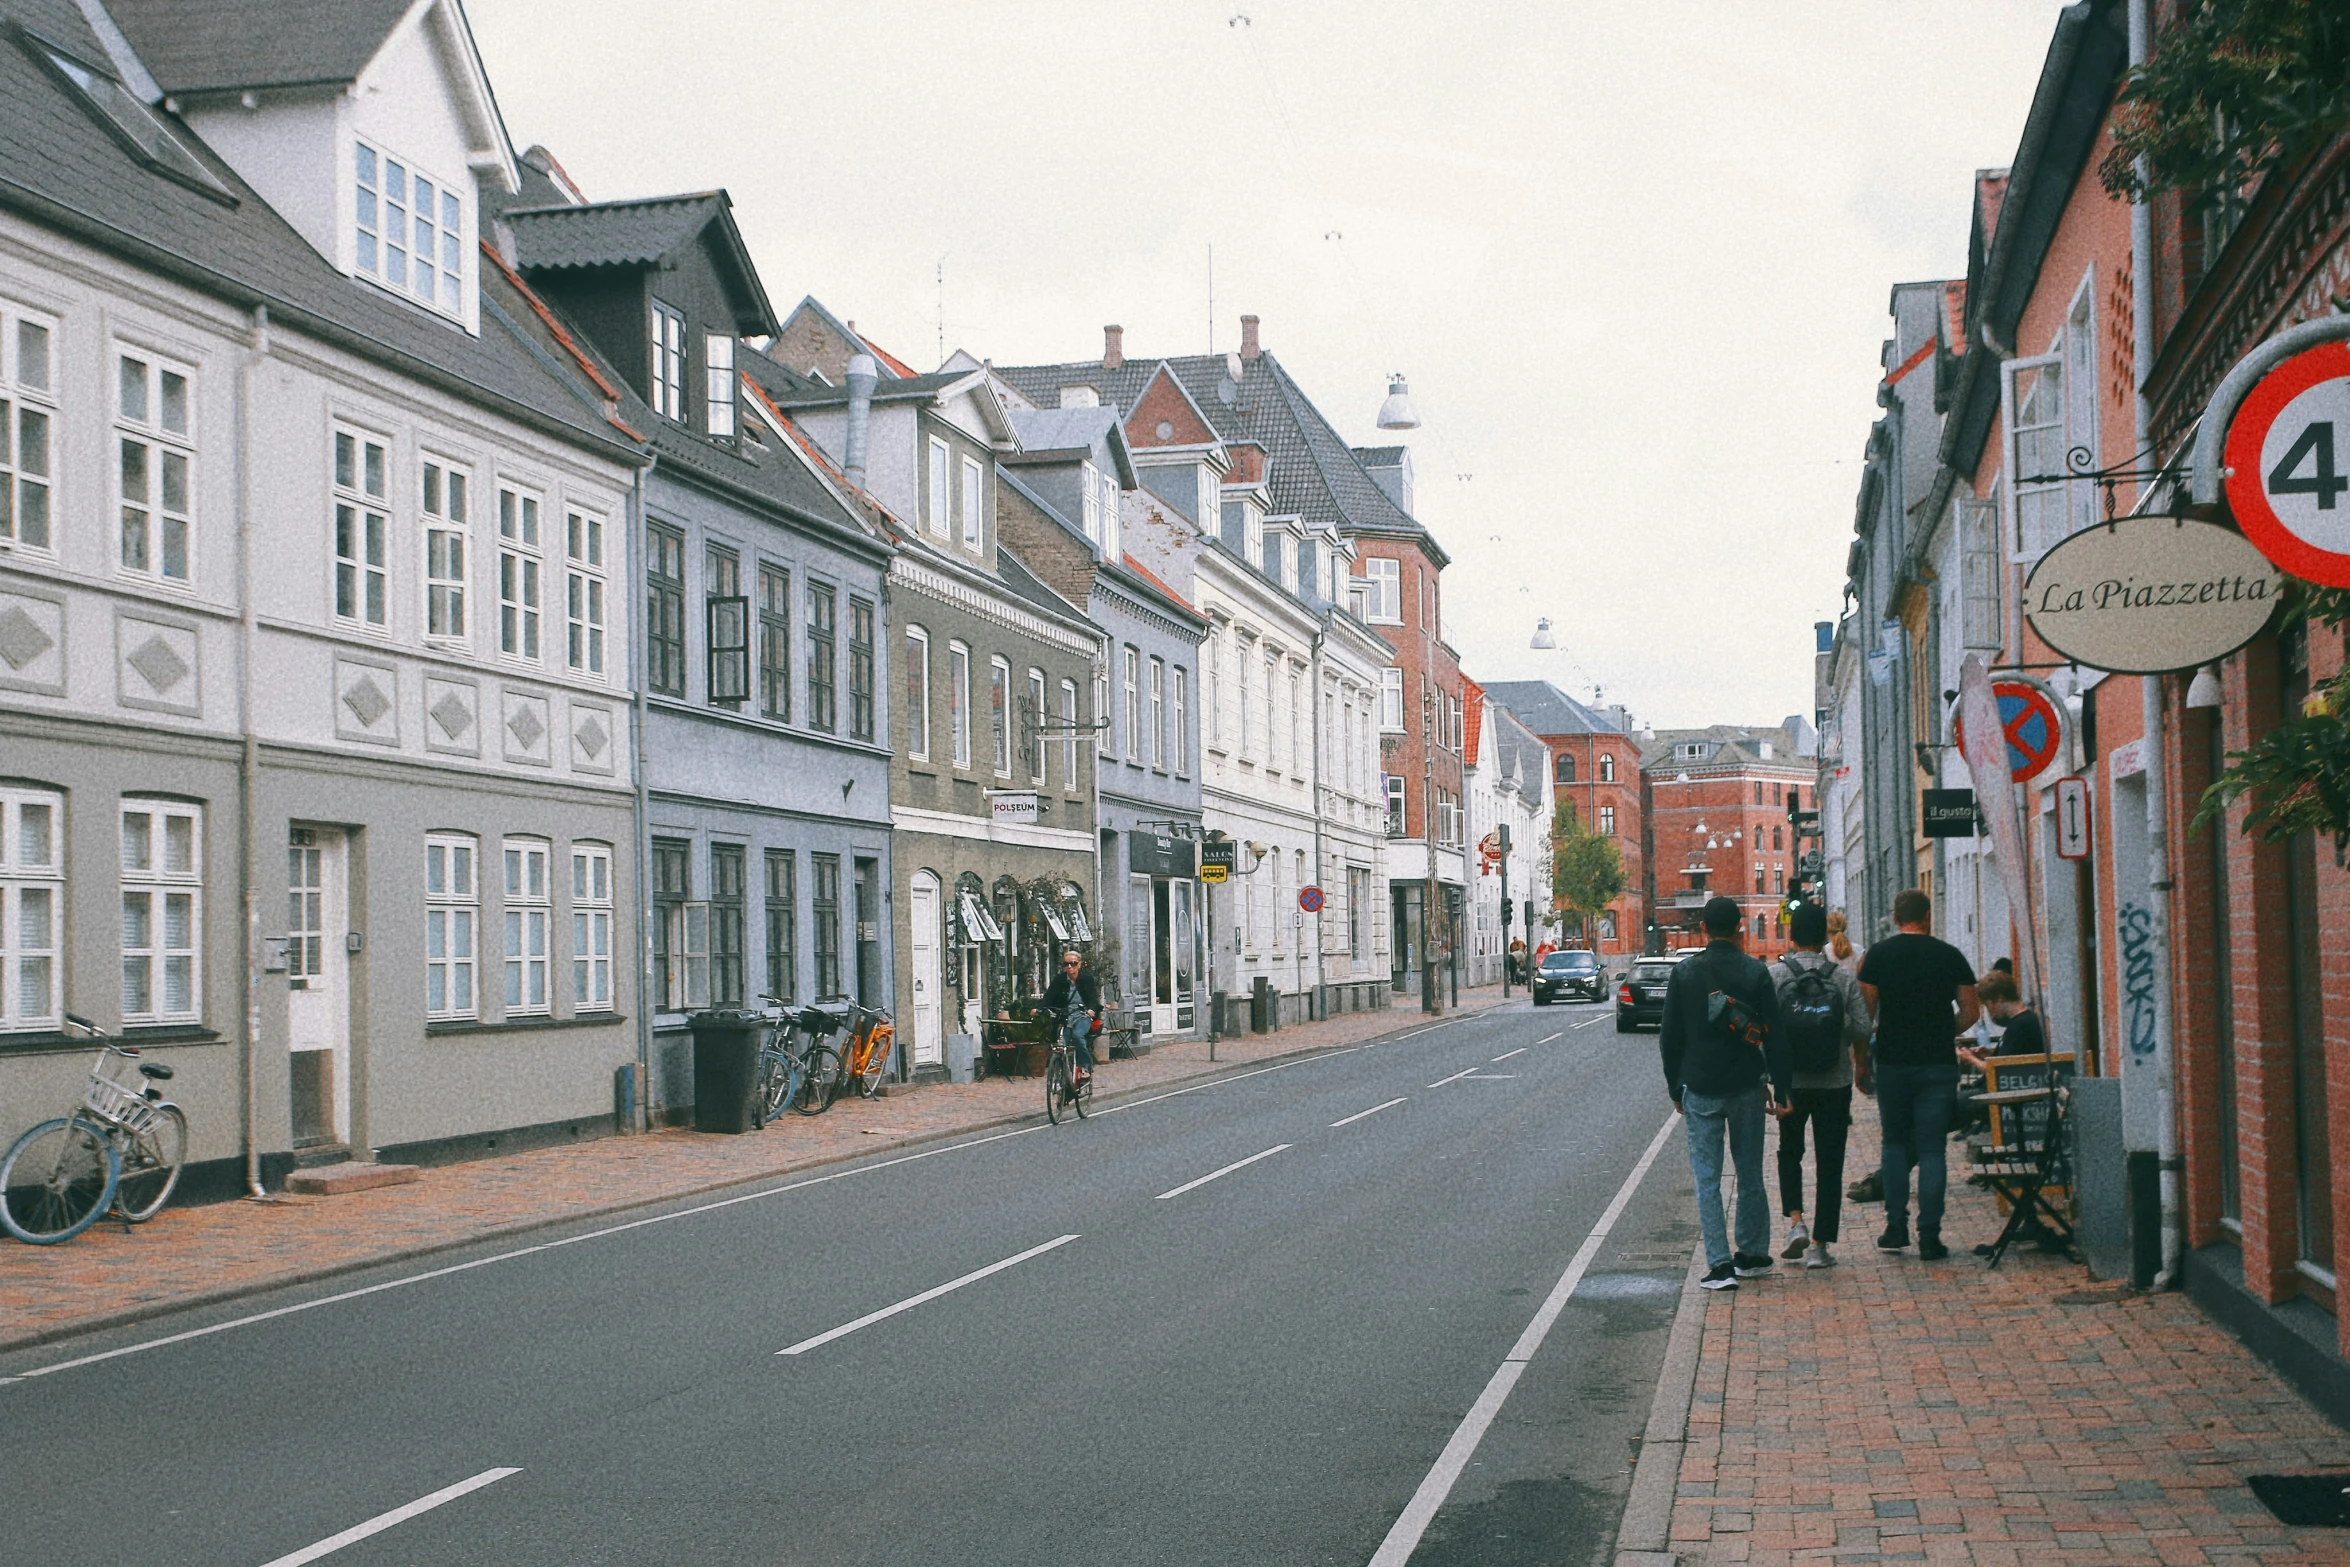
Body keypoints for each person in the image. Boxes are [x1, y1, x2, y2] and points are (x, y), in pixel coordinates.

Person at [1660, 895, 1790, 1290]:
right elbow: (1776, 1035)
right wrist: (1781, 1087)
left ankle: (1719, 1264)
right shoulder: (1756, 972)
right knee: (1750, 1171)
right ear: (1739, 928)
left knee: (1707, 1177)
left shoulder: (1685, 974)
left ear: (1703, 929)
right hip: (1747, 1085)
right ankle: (1752, 1253)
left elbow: (1670, 1038)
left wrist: (1674, 1087)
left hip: (1701, 1086)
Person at [1857, 889, 1981, 1261]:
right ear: (1927, 916)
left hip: (1893, 1064)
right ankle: (1930, 1236)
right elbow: (1972, 1011)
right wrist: (1946, 1030)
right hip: (1938, 1064)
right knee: (1931, 1150)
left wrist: (1860, 1063)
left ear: (1896, 918)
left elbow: (1865, 1017)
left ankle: (1896, 1227)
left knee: (1894, 1145)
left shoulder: (1877, 956)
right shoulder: (1950, 956)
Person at [1767, 902, 1873, 1270]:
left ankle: (1795, 1222)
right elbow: (1863, 1027)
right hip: (1834, 1079)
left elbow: (1763, 1032)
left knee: (1789, 1151)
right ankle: (1820, 1245)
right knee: (1830, 1160)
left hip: (1790, 1081)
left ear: (1792, 936)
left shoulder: (1776, 975)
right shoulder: (1842, 978)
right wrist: (1833, 1036)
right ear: (1825, 937)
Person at [1038, 948, 1103, 1083]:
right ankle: (1061, 1073)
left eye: (1072, 963)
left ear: (1079, 964)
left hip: (1082, 1015)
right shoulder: (1059, 980)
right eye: (1066, 964)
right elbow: (1049, 996)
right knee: (1061, 1044)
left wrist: (1091, 1009)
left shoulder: (1086, 979)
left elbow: (1092, 997)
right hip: (1065, 1016)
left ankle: (1085, 1067)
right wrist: (1038, 1008)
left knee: (1078, 1036)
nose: (1069, 967)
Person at [1958, 971, 2044, 1069]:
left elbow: (2000, 1070)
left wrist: (1970, 1058)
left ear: (2000, 999)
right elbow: (2012, 1057)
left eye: (1988, 1005)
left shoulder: (2019, 1026)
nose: (1990, 1011)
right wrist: (1991, 1053)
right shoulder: (2022, 1021)